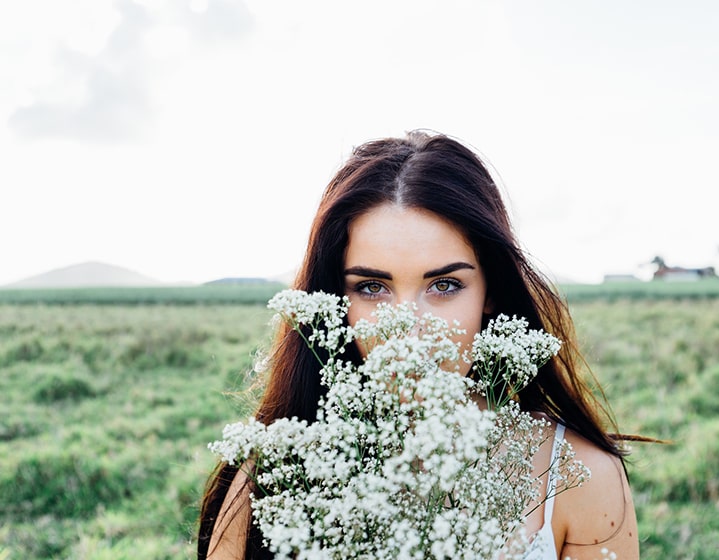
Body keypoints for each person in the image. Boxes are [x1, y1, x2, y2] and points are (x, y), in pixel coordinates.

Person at [197, 130, 640, 559]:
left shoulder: (580, 478)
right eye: (371, 287)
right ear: (333, 302)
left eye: (445, 285)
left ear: (493, 294)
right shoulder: (278, 470)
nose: (407, 330)